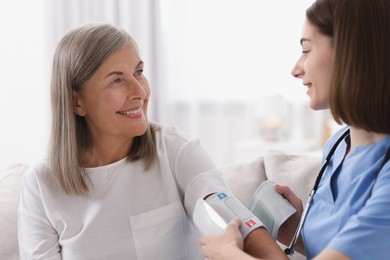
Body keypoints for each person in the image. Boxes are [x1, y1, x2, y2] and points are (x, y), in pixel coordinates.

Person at [17, 22, 235, 260]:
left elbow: (234, 221)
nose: (139, 92)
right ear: (77, 102)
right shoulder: (40, 184)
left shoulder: (175, 149)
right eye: (116, 80)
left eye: (138, 72)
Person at [200, 0, 390, 259]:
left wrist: (229, 254)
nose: (296, 69)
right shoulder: (337, 146)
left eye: (307, 50)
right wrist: (297, 231)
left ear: (350, 52)